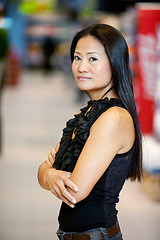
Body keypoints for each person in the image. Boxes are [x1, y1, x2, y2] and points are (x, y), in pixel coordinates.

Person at [38, 24, 142, 240]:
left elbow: (75, 192)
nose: (81, 67)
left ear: (115, 62)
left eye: (92, 59)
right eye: (77, 58)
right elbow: (44, 170)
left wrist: (50, 171)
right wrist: (49, 173)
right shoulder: (86, 114)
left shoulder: (113, 118)